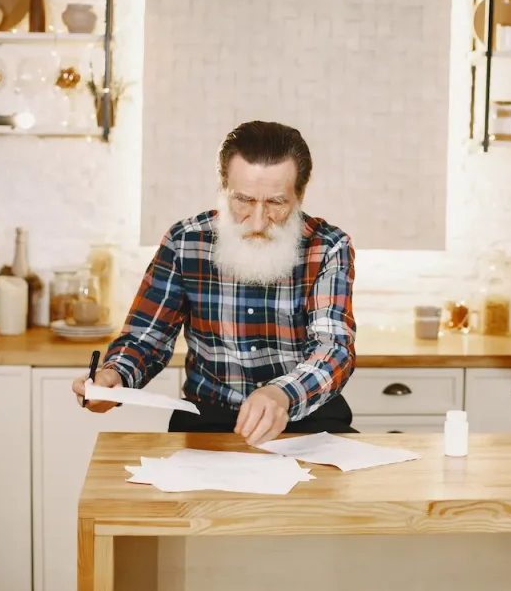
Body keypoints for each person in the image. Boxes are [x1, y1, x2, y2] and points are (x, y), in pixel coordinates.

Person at [71, 120, 357, 445]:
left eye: (276, 203)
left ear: (300, 196)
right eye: (243, 200)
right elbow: (146, 339)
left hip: (304, 416)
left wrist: (282, 394)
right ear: (223, 189)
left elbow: (332, 347)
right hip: (208, 420)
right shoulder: (185, 241)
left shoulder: (330, 246)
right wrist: (114, 374)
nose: (258, 221)